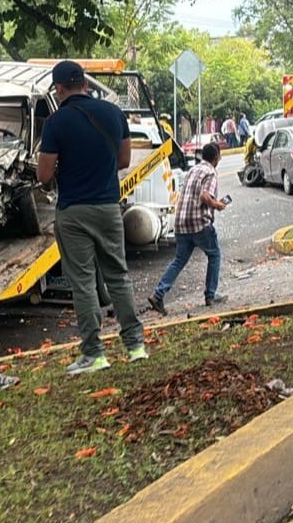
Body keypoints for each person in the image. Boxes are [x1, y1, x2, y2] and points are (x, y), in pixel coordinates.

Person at [36, 60, 147, 375]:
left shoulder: (56, 123)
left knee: (83, 282)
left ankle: (94, 354)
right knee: (118, 276)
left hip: (73, 210)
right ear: (85, 83)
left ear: (59, 89)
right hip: (109, 206)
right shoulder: (114, 114)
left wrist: (66, 167)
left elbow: (44, 176)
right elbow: (123, 160)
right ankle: (136, 345)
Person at [147, 142, 228, 315]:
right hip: (198, 222)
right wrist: (217, 205)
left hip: (181, 222)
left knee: (179, 260)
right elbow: (205, 196)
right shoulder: (211, 172)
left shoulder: (193, 170)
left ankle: (158, 294)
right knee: (214, 254)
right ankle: (210, 295)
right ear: (216, 158)